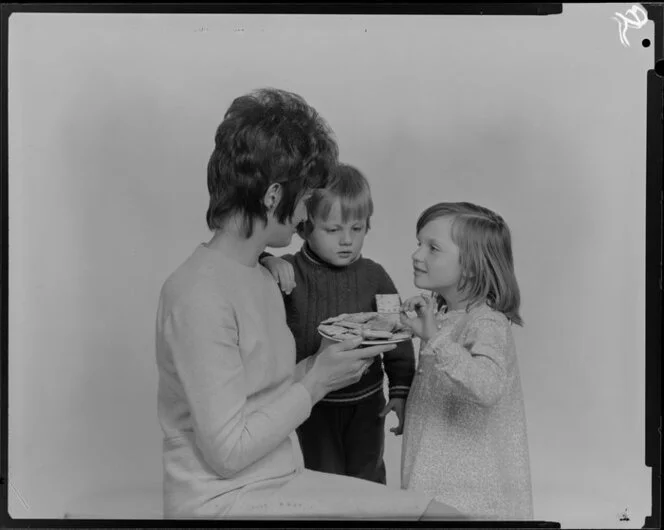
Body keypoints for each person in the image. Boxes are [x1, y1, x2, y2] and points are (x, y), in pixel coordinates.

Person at [155, 87, 465, 520]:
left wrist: (329, 363)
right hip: (223, 503)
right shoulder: (196, 295)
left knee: (446, 515)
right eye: (304, 201)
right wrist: (317, 380)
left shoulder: (261, 276)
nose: (304, 218)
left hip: (278, 480)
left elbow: (262, 396)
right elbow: (227, 452)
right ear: (273, 197)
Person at [259, 163, 415, 485]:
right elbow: (243, 270)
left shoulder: (375, 276)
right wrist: (267, 260)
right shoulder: (287, 271)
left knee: (369, 478)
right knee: (324, 482)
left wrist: (400, 390)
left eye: (356, 229)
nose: (347, 241)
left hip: (367, 403)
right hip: (314, 404)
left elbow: (397, 334)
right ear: (304, 227)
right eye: (333, 230)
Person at [399, 202, 534, 520]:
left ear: (471, 265)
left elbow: (487, 387)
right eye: (419, 243)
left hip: (469, 497)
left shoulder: (487, 323)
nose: (417, 255)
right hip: (433, 479)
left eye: (433, 248)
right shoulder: (445, 316)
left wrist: (435, 339)